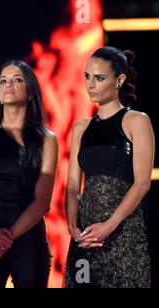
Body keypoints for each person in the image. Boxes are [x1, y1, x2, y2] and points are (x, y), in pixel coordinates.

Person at [0, 60, 58, 288]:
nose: (8, 85)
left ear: (31, 91)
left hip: (29, 240)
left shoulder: (47, 139)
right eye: (3, 81)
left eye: (17, 80)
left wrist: (5, 241)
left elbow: (42, 202)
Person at [65, 47, 154, 288]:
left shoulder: (137, 121)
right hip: (85, 238)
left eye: (99, 78)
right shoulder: (81, 128)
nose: (90, 85)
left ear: (120, 80)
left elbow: (142, 183)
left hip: (124, 235)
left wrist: (109, 225)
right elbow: (73, 184)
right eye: (87, 77)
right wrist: (73, 226)